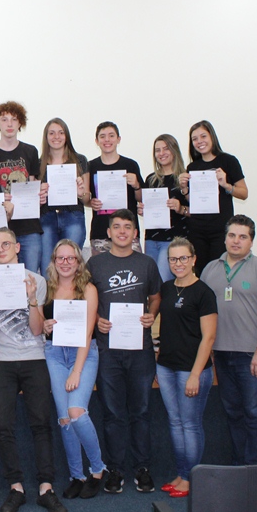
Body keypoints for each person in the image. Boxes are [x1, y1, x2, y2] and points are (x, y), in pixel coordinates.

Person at [0, 227, 67, 512]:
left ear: (17, 247)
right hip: (1, 359)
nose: (1, 249)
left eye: (6, 244)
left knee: (41, 422)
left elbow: (36, 329)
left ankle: (46, 487)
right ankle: (15, 486)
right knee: (4, 424)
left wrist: (31, 298)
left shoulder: (37, 280)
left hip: (33, 357)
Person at [88, 210, 162, 494]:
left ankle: (142, 468)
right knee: (112, 412)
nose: (121, 231)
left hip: (140, 348)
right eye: (116, 227)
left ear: (135, 233)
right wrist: (97, 320)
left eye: (127, 227)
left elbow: (155, 297)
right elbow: (85, 299)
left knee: (141, 411)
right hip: (107, 350)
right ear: (108, 233)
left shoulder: (147, 263)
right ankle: (116, 469)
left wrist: (152, 314)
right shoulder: (95, 264)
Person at [200, 215, 257, 466]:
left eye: (243, 237)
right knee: (233, 413)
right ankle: (239, 467)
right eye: (232, 235)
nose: (236, 241)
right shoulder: (210, 269)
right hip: (221, 354)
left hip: (251, 354)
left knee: (254, 414)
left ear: (251, 241)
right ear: (225, 238)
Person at [41, 239, 106, 500]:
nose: (65, 262)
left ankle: (98, 470)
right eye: (61, 258)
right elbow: (41, 324)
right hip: (54, 353)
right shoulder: (47, 288)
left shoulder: (87, 289)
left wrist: (77, 371)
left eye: (71, 258)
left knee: (76, 412)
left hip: (83, 354)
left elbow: (88, 333)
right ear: (54, 261)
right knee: (64, 419)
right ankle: (77, 475)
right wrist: (44, 326)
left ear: (79, 262)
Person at [154, 237, 216, 498]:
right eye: (173, 259)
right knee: (175, 422)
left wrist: (195, 375)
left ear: (193, 259)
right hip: (166, 367)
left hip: (192, 370)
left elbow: (208, 338)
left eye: (183, 258)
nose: (178, 263)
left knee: (190, 424)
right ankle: (181, 473)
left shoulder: (204, 293)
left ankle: (191, 478)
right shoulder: (167, 288)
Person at [179, 120, 248, 274]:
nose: (199, 141)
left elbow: (244, 193)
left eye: (203, 136)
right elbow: (193, 202)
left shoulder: (228, 161)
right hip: (197, 230)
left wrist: (226, 185)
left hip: (220, 229)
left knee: (219, 273)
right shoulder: (192, 167)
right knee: (200, 273)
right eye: (195, 139)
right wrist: (184, 189)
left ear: (212, 137)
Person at [0, 102, 44, 273]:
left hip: (29, 226)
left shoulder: (30, 151)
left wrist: (39, 196)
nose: (9, 124)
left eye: (14, 119)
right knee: (5, 279)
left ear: (20, 123)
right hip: (2, 228)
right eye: (4, 119)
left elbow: (32, 183)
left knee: (30, 276)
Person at [39, 118, 90, 267]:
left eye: (61, 133)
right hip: (46, 218)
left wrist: (81, 193)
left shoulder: (80, 160)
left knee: (71, 264)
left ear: (66, 136)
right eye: (52, 133)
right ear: (46, 137)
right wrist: (40, 195)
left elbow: (87, 198)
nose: (57, 137)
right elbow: (34, 199)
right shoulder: (38, 163)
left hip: (73, 217)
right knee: (48, 265)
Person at [87, 123, 143, 256]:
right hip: (100, 232)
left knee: (133, 268)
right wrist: (90, 202)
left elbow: (141, 198)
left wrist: (136, 185)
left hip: (128, 233)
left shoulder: (131, 165)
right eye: (102, 136)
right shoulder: (90, 166)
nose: (107, 140)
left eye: (111, 136)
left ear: (118, 139)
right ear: (97, 141)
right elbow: (85, 197)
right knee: (100, 269)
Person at [140, 134, 188, 283]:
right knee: (151, 283)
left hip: (173, 239)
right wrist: (143, 210)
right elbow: (147, 208)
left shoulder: (184, 178)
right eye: (157, 150)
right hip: (151, 239)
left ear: (174, 150)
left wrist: (180, 208)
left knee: (163, 281)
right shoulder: (151, 179)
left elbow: (197, 211)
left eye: (166, 149)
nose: (161, 153)